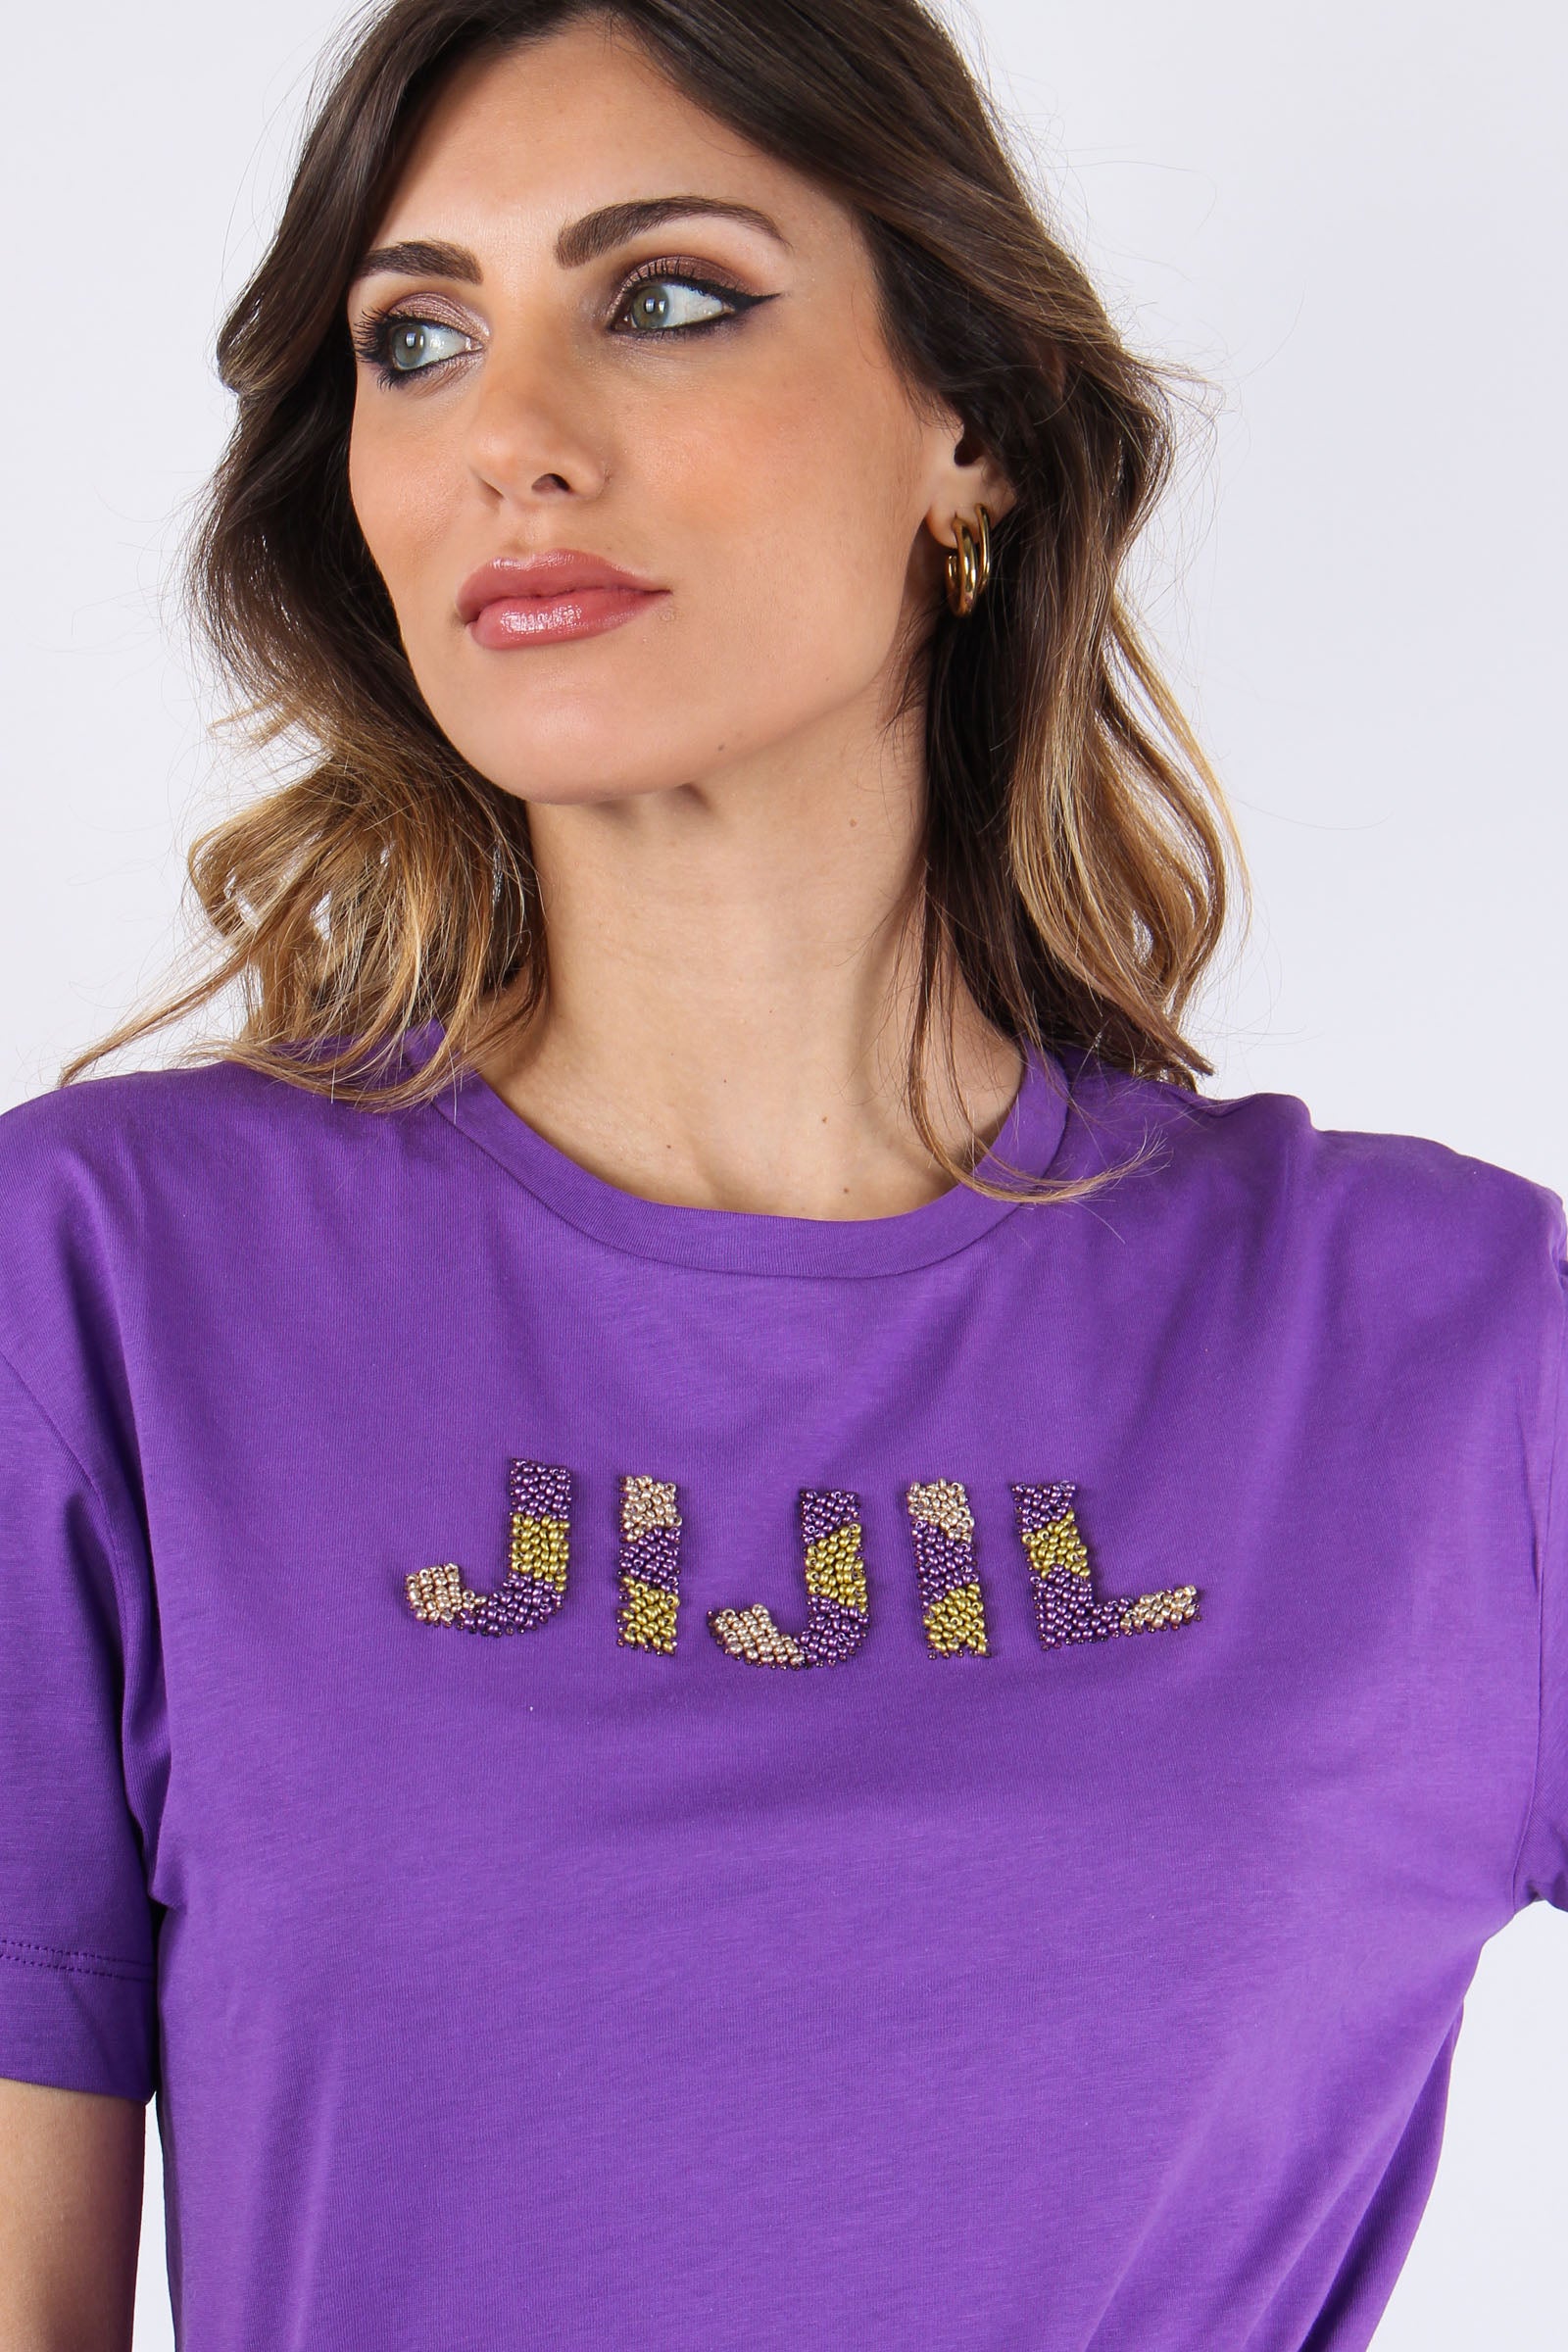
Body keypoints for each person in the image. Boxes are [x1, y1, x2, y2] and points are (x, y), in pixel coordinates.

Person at [1, 1, 1562, 2345]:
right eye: (416, 341)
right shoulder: (108, 1290)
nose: (509, 437)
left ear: (970, 427)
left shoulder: (1444, 1347)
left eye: (662, 297)